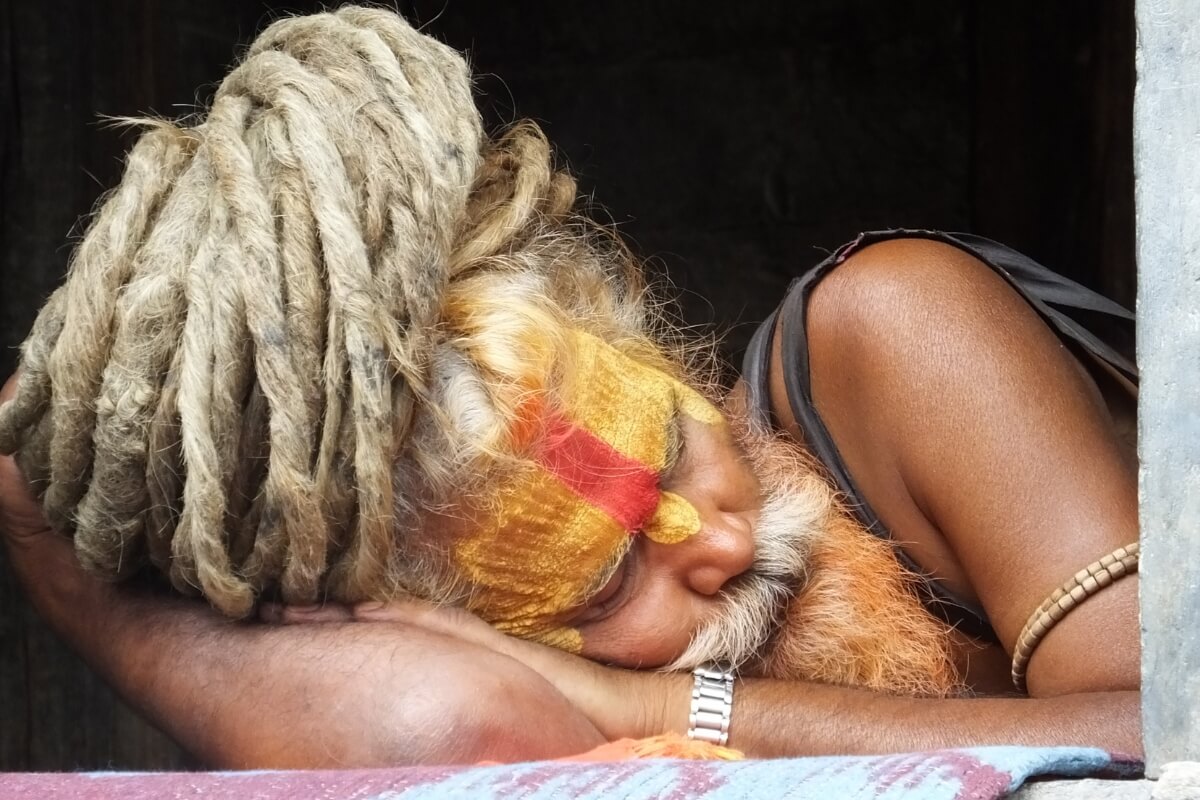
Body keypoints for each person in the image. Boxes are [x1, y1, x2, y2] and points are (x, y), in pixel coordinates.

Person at [0, 7, 1140, 767]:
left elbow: (1171, 740)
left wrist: (647, 702)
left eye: (668, 451)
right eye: (603, 582)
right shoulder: (498, 671)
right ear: (477, 623)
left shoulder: (891, 327)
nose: (718, 543)